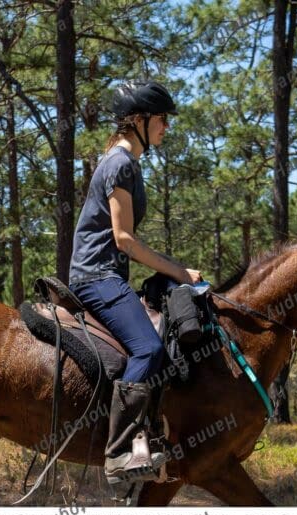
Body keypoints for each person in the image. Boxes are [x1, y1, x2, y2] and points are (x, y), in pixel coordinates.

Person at [68, 80, 203, 485]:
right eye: (162, 119)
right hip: (96, 276)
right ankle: (118, 454)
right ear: (140, 120)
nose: (167, 126)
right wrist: (179, 272)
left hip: (105, 273)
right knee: (148, 347)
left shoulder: (125, 162)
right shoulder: (120, 164)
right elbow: (124, 239)